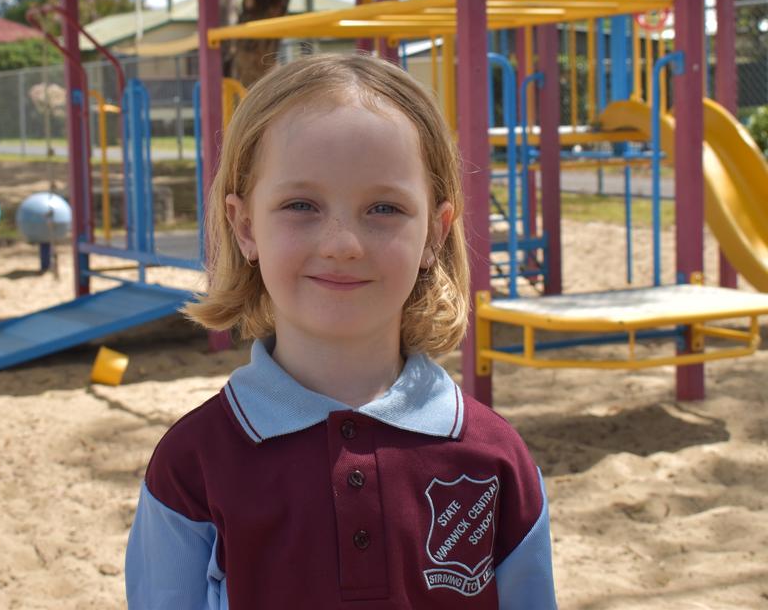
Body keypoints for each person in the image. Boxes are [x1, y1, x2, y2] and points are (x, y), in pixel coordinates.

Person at [125, 53, 556, 608]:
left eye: (384, 208)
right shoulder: (193, 465)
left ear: (435, 233)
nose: (342, 243)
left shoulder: (494, 458)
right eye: (301, 205)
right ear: (245, 225)